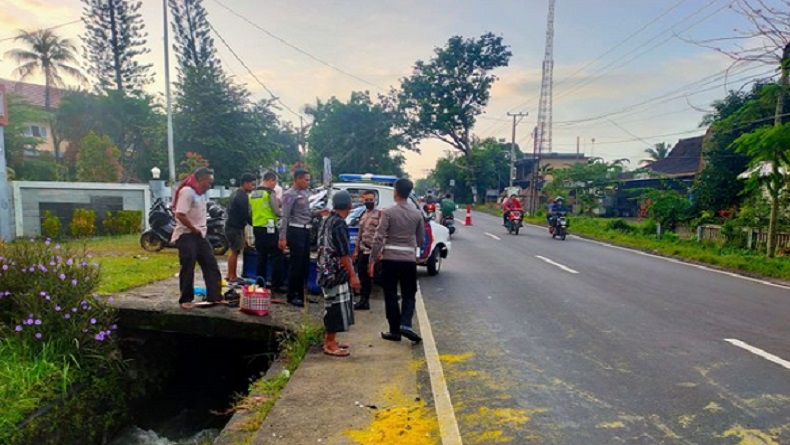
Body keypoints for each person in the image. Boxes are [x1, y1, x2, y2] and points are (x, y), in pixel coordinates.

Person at [370, 178, 425, 344]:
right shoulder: (417, 214)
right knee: (409, 294)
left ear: (396, 192)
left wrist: (372, 259)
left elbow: (379, 237)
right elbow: (421, 240)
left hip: (390, 260)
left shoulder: (387, 212)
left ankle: (394, 331)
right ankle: (406, 324)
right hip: (408, 260)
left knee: (391, 295)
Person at [171, 167, 222, 310]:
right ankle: (186, 299)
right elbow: (180, 214)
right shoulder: (187, 192)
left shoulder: (200, 193)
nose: (210, 185)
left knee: (210, 263)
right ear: (201, 180)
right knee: (188, 267)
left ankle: (215, 296)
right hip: (187, 235)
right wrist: (193, 228)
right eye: (209, 182)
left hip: (200, 234)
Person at [318, 190, 361, 357]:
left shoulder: (327, 220)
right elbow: (343, 253)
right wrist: (352, 275)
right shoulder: (340, 224)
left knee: (331, 305)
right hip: (335, 272)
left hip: (324, 269)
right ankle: (329, 343)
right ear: (349, 205)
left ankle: (331, 339)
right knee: (335, 307)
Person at [279, 169, 312, 307]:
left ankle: (302, 294)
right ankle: (292, 295)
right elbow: (285, 216)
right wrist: (282, 237)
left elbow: (307, 213)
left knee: (305, 264)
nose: (308, 182)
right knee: (296, 264)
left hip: (306, 230)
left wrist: (318, 213)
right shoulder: (289, 195)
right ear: (298, 179)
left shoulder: (306, 193)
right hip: (295, 230)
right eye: (306, 179)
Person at [250, 171, 284, 292]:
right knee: (276, 256)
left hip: (257, 227)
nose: (275, 185)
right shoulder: (269, 193)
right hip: (269, 227)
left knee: (261, 256)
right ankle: (276, 284)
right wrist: (284, 214)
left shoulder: (253, 193)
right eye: (275, 182)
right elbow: (276, 211)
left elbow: (250, 211)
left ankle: (260, 283)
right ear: (271, 180)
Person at [352, 190, 381, 310]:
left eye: (371, 200)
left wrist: (380, 252)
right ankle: (364, 301)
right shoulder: (363, 214)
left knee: (372, 277)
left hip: (372, 250)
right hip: (363, 249)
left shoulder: (379, 214)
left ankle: (366, 300)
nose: (369, 202)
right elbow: (360, 233)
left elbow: (382, 234)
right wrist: (356, 249)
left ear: (375, 201)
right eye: (367, 200)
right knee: (363, 276)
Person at [225, 173, 256, 284]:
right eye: (252, 184)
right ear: (246, 183)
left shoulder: (235, 193)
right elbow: (245, 215)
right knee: (235, 251)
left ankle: (230, 274)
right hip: (235, 227)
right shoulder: (242, 196)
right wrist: (254, 224)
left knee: (233, 250)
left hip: (231, 225)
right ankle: (232, 277)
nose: (253, 187)